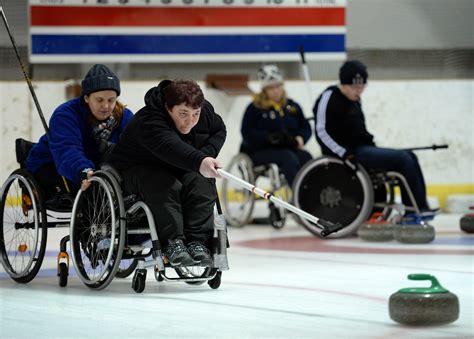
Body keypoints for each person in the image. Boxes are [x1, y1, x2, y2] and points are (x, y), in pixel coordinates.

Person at [109, 79, 226, 267]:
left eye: (196, 114)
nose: (190, 120)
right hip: (136, 172)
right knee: (162, 182)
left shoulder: (204, 113)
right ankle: (173, 244)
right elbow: (170, 146)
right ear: (168, 107)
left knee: (201, 180)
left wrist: (206, 155)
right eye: (183, 114)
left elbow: (219, 129)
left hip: (177, 168)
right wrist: (200, 161)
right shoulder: (149, 121)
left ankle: (197, 242)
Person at [313, 59, 435, 214]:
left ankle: (420, 207)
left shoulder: (355, 100)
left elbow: (359, 131)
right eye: (354, 87)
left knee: (410, 156)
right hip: (348, 154)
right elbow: (321, 132)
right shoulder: (329, 97)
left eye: (362, 86)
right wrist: (344, 153)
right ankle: (414, 212)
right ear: (343, 83)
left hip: (362, 149)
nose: (358, 91)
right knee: (403, 159)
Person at [26, 64, 133, 198]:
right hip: (53, 164)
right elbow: (67, 149)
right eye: (99, 100)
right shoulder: (66, 115)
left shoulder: (124, 117)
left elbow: (135, 146)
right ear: (86, 98)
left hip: (98, 167)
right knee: (93, 191)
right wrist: (83, 169)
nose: (106, 106)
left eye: (111, 100)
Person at [240, 64, 312, 186]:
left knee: (306, 158)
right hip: (261, 151)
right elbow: (246, 132)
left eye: (278, 86)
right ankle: (297, 196)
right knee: (288, 158)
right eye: (271, 88)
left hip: (289, 147)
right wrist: (267, 137)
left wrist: (301, 138)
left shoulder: (292, 106)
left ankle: (312, 193)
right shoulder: (255, 108)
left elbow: (305, 127)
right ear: (264, 90)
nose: (276, 91)